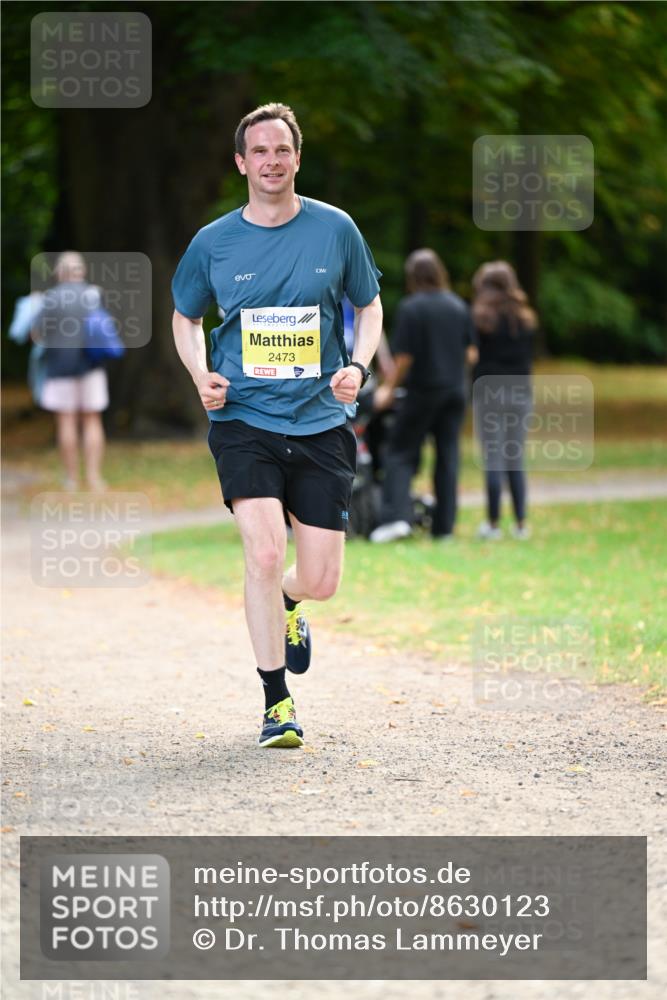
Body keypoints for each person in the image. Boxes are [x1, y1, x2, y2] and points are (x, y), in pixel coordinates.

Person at [171, 103, 383, 748]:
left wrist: (357, 365)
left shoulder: (335, 229)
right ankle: (276, 703)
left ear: (297, 157)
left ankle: (292, 604)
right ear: (241, 163)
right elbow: (184, 317)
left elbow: (368, 306)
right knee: (263, 551)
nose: (271, 161)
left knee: (320, 578)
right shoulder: (213, 241)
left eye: (281, 150)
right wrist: (200, 374)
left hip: (320, 420)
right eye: (258, 152)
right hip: (243, 419)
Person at [369, 248, 477, 543]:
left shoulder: (412, 308)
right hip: (455, 391)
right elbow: (471, 353)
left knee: (399, 451)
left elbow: (404, 358)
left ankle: (396, 518)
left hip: (423, 390)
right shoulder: (458, 305)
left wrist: (388, 389)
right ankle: (444, 527)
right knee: (448, 456)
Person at [471, 260, 538, 540]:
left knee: (493, 457)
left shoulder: (480, 317)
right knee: (515, 456)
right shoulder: (526, 317)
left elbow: (473, 356)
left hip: (489, 392)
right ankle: (521, 523)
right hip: (521, 391)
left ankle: (494, 523)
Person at [35, 252, 109, 492]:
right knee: (92, 420)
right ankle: (94, 477)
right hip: (91, 365)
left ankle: (71, 479)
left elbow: (36, 334)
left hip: (59, 367)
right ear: (82, 271)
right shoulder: (93, 295)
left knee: (66, 421)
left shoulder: (50, 299)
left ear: (59, 273)